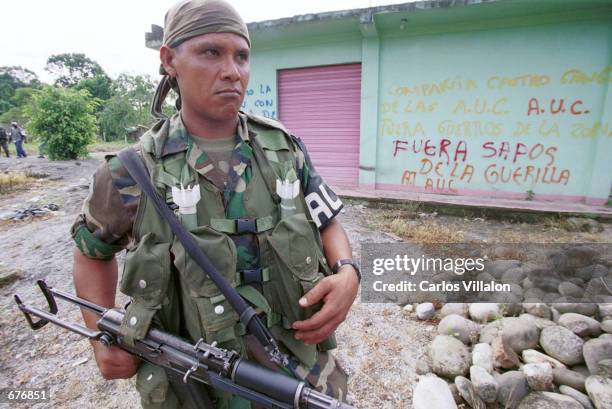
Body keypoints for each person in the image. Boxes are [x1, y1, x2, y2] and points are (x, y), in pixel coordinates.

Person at [70, 1, 359, 408]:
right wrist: (101, 333)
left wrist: (348, 274)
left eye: (241, 56)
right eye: (211, 52)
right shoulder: (131, 172)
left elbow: (327, 221)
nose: (232, 71)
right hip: (194, 389)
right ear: (170, 60)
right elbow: (90, 254)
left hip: (297, 377)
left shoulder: (283, 149)